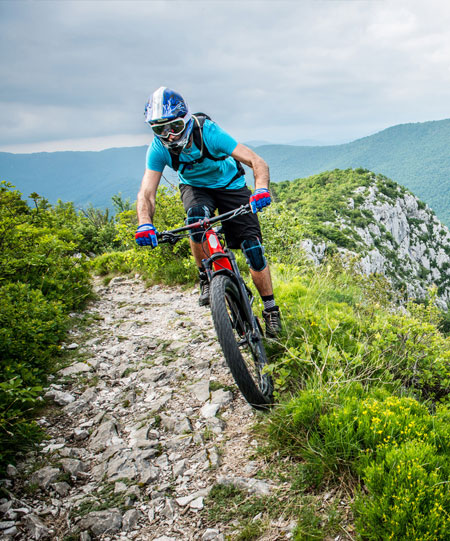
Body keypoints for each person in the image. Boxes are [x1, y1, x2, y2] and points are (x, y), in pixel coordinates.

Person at [135, 87, 281, 337]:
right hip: (196, 188)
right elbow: (147, 193)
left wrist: (261, 190)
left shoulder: (209, 133)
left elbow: (257, 162)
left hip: (231, 186)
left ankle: (270, 309)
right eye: (159, 129)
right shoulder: (158, 149)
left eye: (175, 127)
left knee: (253, 249)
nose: (168, 135)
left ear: (187, 120)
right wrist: (144, 223)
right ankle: (205, 275)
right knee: (195, 221)